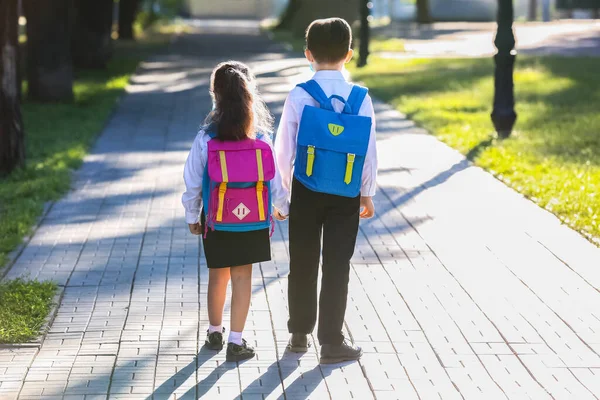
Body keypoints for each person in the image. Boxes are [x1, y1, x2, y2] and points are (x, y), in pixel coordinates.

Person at [274, 18, 378, 364]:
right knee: (337, 264)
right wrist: (366, 192)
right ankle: (332, 342)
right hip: (346, 192)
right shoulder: (361, 97)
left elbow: (284, 150)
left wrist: (283, 196)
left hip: (306, 188)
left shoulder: (300, 95)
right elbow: (368, 149)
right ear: (349, 54)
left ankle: (299, 335)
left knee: (302, 261)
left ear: (308, 54)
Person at [182, 61, 289, 362]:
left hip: (216, 220)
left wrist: (193, 216)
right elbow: (275, 180)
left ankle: (214, 331)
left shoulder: (206, 137)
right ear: (249, 93)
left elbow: (191, 180)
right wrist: (281, 208)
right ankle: (236, 341)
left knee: (218, 276)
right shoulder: (262, 138)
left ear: (214, 94)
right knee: (243, 277)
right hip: (253, 219)